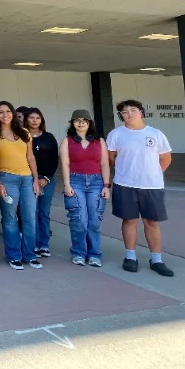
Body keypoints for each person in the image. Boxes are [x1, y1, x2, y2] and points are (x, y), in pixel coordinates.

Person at [107, 100, 173, 277]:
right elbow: (111, 157)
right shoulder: (115, 134)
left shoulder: (155, 134)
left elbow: (166, 158)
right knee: (129, 220)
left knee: (152, 222)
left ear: (141, 112)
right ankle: (130, 257)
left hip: (151, 186)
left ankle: (156, 259)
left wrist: (153, 174)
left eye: (133, 110)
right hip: (125, 184)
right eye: (124, 111)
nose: (129, 114)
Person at [0, 101, 41, 270]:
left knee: (29, 218)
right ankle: (14, 256)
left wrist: (35, 179)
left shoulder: (24, 132)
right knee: (10, 218)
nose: (5, 115)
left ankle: (30, 255)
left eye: (8, 111)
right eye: (1, 112)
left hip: (27, 179)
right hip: (6, 178)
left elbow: (31, 157)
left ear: (13, 113)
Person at [59, 109, 110, 267]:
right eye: (77, 120)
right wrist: (67, 184)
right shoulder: (67, 141)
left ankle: (94, 253)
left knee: (94, 220)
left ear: (89, 123)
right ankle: (79, 252)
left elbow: (104, 164)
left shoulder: (99, 141)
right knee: (79, 219)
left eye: (84, 120)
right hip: (75, 181)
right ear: (72, 123)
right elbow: (65, 164)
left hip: (96, 182)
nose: (80, 123)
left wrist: (106, 185)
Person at [26, 108, 59, 258]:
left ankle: (44, 245)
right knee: (32, 212)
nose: (34, 120)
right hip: (28, 179)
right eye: (31, 118)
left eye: (37, 118)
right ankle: (33, 244)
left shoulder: (49, 137)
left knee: (44, 212)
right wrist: (33, 178)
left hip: (47, 180)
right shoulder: (22, 137)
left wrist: (45, 178)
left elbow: (54, 160)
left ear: (41, 120)